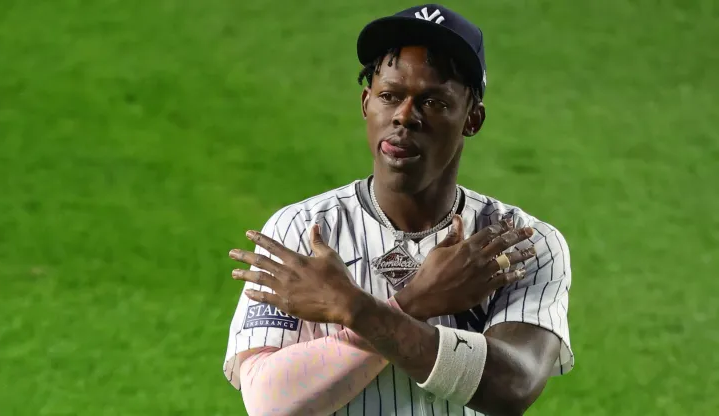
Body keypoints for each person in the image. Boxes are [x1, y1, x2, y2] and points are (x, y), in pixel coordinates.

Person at [223, 4, 574, 415]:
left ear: (472, 119)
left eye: (433, 102)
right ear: (365, 103)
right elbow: (270, 403)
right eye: (390, 96)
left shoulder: (519, 242)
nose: (405, 116)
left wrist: (351, 307)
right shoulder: (301, 232)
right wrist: (415, 302)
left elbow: (513, 386)